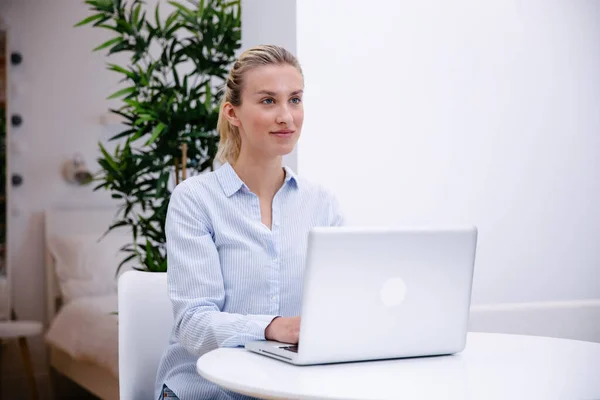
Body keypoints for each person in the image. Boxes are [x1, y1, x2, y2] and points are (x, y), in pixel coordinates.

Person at [155, 44, 344, 400]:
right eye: (268, 101)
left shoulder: (322, 205)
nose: (286, 116)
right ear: (233, 113)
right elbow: (193, 323)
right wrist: (271, 328)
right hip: (205, 387)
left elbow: (343, 300)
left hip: (289, 385)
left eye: (295, 99)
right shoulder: (195, 200)